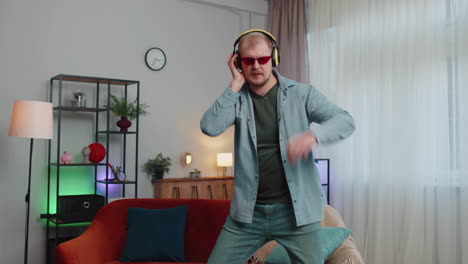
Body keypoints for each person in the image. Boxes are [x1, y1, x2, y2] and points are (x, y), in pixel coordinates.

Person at [200, 29, 355, 264]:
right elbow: (210, 126)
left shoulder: (302, 94)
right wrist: (234, 84)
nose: (256, 66)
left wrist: (312, 136)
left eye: (262, 59)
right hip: (247, 215)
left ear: (274, 58)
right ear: (238, 62)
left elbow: (345, 121)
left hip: (298, 214)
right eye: (248, 60)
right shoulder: (237, 98)